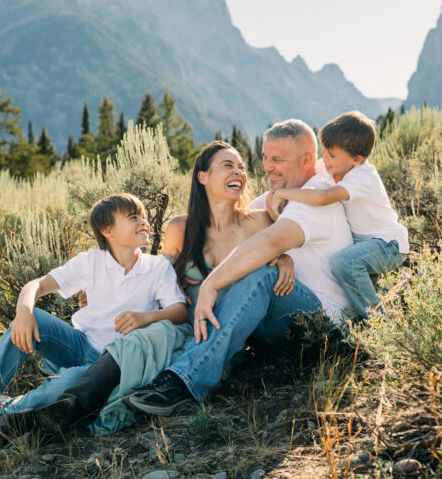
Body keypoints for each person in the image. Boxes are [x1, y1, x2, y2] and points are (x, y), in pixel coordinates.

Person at [26, 141, 296, 428]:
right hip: (183, 328)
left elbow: (272, 260)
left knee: (147, 349)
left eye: (241, 167)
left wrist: (286, 258)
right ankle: (58, 411)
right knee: (137, 346)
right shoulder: (181, 228)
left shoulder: (259, 222)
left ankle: (169, 386)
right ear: (202, 176)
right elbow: (154, 274)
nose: (239, 172)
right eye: (228, 165)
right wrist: (102, 291)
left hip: (224, 332)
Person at [0, 193, 187, 450]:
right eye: (133, 217)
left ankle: (3, 411)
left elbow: (180, 311)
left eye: (143, 216)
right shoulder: (91, 261)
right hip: (79, 345)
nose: (144, 222)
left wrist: (147, 317)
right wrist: (24, 312)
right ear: (108, 231)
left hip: (111, 365)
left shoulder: (157, 267)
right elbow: (36, 285)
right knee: (34, 319)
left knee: (64, 385)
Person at [125, 119, 354, 415]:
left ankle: (185, 381)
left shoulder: (316, 199)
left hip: (322, 326)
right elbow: (245, 212)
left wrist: (211, 284)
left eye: (278, 160)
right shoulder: (283, 196)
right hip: (278, 326)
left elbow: (269, 244)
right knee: (237, 276)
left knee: (260, 272)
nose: (267, 167)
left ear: (308, 160)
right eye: (264, 159)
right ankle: (176, 365)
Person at [266, 111, 408, 317]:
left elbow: (322, 197)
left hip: (388, 244)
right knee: (352, 267)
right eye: (324, 151)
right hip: (365, 244)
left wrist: (281, 193)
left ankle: (378, 322)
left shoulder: (362, 177)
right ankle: (382, 307)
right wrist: (272, 194)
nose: (324, 159)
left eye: (332, 155)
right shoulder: (332, 165)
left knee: (345, 263)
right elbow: (306, 180)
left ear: (356, 159)